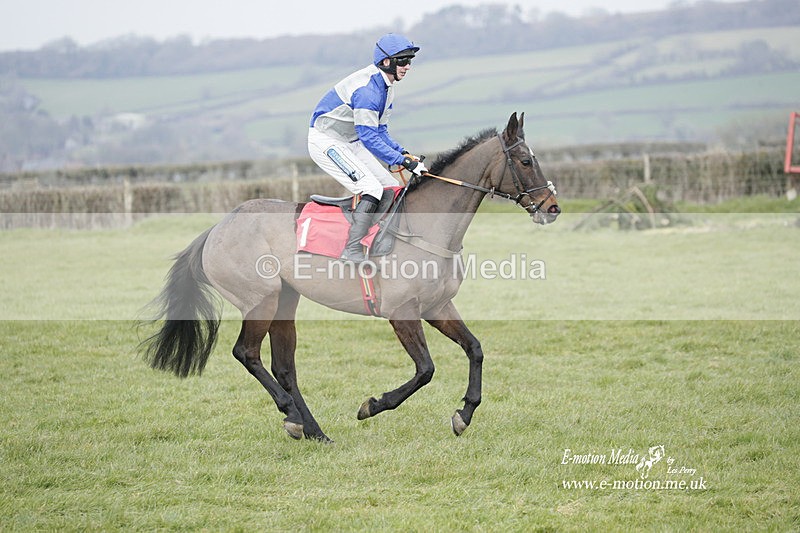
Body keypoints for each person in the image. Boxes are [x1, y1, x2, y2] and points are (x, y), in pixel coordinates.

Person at [308, 33, 428, 263]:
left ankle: (377, 240)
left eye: (410, 60)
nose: (408, 66)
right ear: (386, 62)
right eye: (403, 60)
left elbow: (380, 131)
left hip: (350, 141)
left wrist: (402, 153)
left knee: (391, 187)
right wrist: (402, 161)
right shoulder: (368, 91)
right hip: (326, 142)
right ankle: (351, 249)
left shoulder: (386, 87)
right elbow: (368, 136)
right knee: (371, 189)